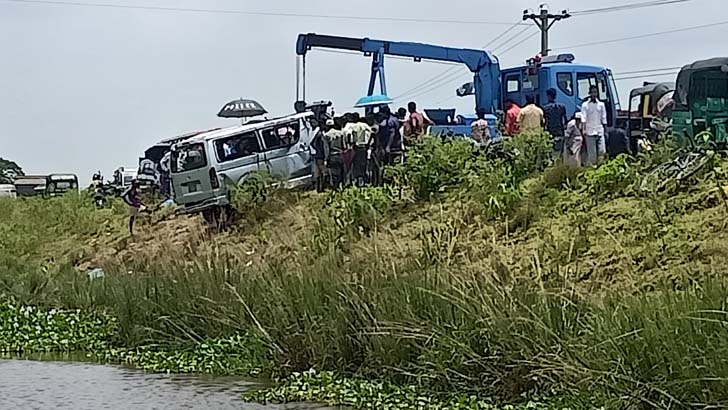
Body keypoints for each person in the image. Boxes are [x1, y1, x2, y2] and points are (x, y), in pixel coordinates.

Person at [581, 85, 608, 167]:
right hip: (590, 132)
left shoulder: (601, 105)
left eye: (595, 92)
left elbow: (604, 118)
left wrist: (605, 131)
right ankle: (593, 170)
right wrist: (584, 130)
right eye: (592, 92)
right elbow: (583, 119)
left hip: (599, 130)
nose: (593, 94)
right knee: (592, 155)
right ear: (589, 93)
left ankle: (601, 167)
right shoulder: (585, 105)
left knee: (602, 151)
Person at [543, 88, 568, 157]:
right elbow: (565, 120)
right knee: (560, 151)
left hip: (550, 132)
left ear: (548, 96)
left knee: (551, 151)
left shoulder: (545, 108)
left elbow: (544, 122)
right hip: (560, 131)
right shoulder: (562, 107)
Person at [325, 117, 347, 189]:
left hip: (332, 155)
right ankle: (342, 188)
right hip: (341, 155)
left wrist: (326, 159)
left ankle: (336, 188)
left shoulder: (327, 135)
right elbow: (344, 146)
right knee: (342, 173)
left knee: (334, 174)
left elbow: (326, 149)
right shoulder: (340, 133)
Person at [310, 118, 329, 192]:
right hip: (321, 155)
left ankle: (319, 188)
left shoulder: (315, 133)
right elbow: (325, 146)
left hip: (318, 154)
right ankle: (322, 187)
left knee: (319, 172)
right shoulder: (319, 134)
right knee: (323, 172)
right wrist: (326, 156)